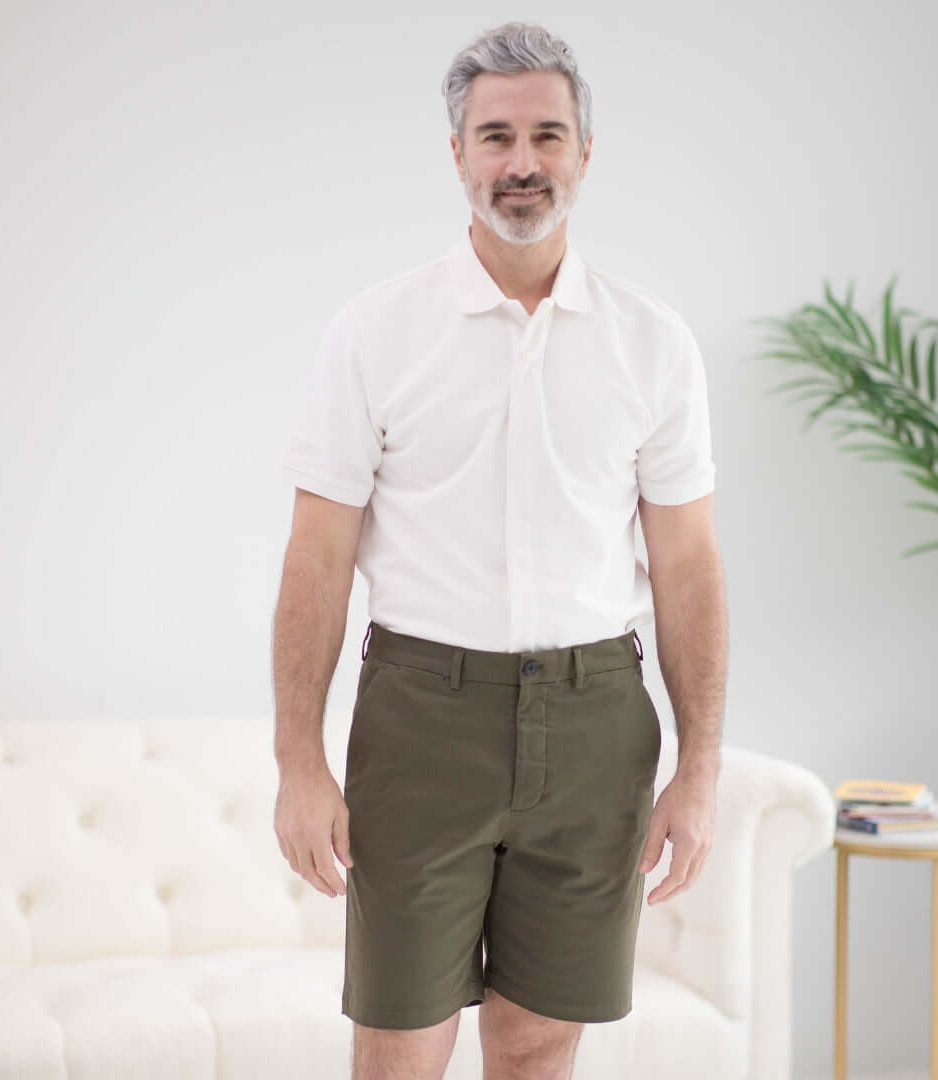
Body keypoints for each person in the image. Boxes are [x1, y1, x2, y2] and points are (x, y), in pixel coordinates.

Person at [272, 20, 727, 1080]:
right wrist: (299, 760)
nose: (522, 162)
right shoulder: (376, 332)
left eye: (546, 135)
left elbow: (690, 568)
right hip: (420, 724)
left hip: (596, 725)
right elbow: (315, 558)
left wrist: (700, 768)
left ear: (585, 152)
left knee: (535, 1049)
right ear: (458, 154)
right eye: (496, 137)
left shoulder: (654, 344)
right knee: (398, 1048)